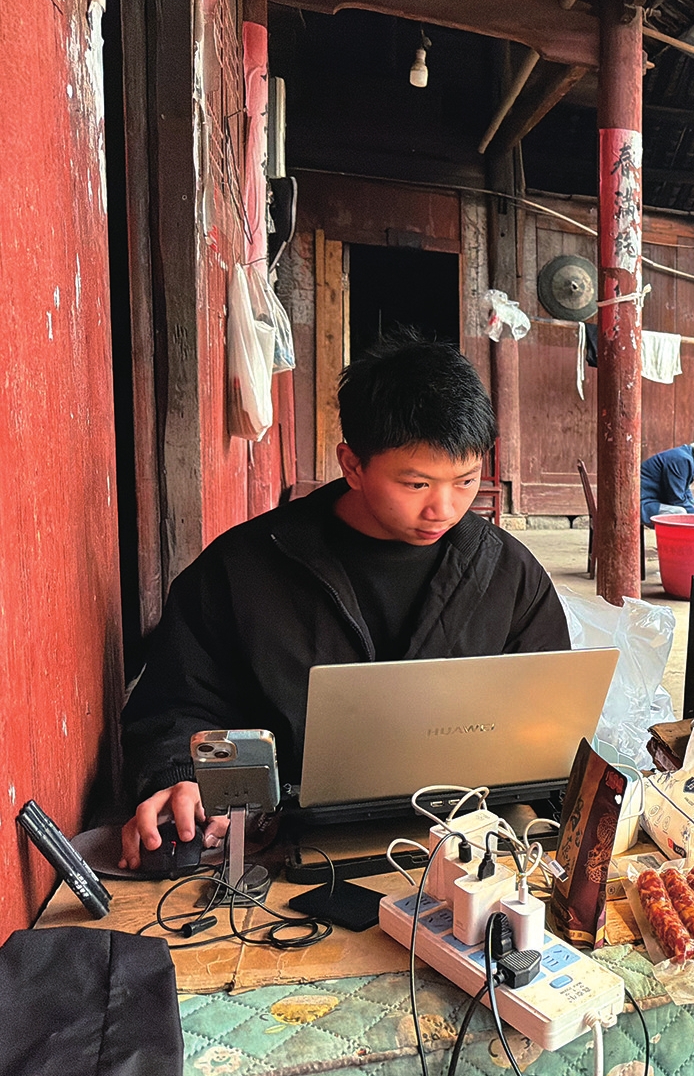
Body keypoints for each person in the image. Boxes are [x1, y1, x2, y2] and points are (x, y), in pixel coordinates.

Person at [118, 335, 570, 869]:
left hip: (463, 844)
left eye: (466, 481)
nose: (444, 509)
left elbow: (549, 713)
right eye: (417, 484)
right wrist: (183, 777)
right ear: (352, 465)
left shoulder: (506, 572)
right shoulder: (244, 568)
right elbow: (177, 703)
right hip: (281, 845)